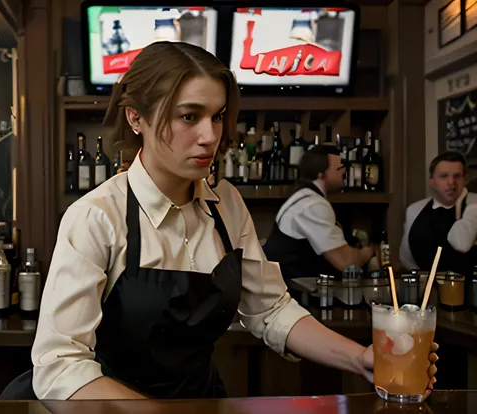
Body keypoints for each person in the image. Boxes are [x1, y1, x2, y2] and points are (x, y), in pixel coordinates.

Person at [24, 42, 437, 400]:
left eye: (218, 116)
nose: (211, 136)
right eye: (189, 116)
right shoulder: (97, 216)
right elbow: (60, 366)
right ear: (137, 118)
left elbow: (270, 309)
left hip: (204, 402)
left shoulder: (226, 203)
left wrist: (361, 358)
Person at [263, 145, 377, 280]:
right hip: (289, 290)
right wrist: (370, 252)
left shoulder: (303, 197)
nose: (344, 171)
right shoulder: (313, 205)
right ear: (321, 173)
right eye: (339, 168)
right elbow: (346, 261)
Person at [400, 151, 477, 275]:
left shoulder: (474, 205)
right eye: (444, 176)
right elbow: (406, 258)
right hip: (426, 287)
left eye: (457, 176)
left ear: (465, 180)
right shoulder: (414, 209)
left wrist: (458, 208)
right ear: (432, 182)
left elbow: (462, 243)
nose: (451, 182)